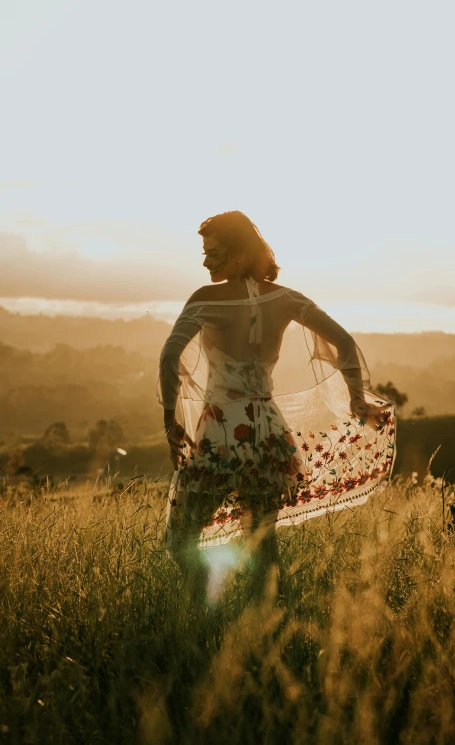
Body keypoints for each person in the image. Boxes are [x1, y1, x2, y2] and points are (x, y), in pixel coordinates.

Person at [157, 211, 396, 594]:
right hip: (268, 431)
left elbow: (170, 358)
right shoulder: (287, 300)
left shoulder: (206, 299)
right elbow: (345, 342)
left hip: (220, 430)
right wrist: (356, 399)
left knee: (182, 537)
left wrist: (170, 421)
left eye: (213, 253)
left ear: (237, 255)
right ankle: (267, 626)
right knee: (262, 547)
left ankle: (201, 610)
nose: (204, 261)